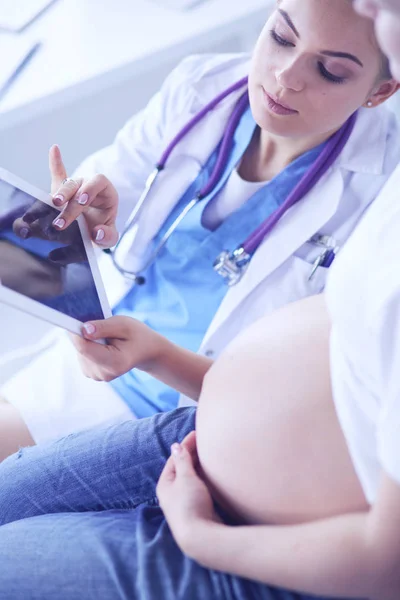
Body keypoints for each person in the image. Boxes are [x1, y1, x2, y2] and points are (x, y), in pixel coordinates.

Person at [1, 1, 400, 599]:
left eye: (331, 71)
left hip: (185, 413)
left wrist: (157, 355)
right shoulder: (203, 87)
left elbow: (310, 397)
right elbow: (113, 185)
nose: (286, 75)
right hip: (96, 357)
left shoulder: (380, 192)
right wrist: (90, 210)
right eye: (282, 37)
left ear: (380, 90)